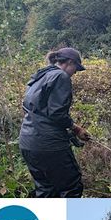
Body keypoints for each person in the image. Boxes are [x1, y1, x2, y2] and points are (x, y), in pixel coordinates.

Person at [19, 47, 91, 197]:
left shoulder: (40, 76)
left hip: (28, 143)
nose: (74, 74)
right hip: (50, 145)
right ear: (70, 62)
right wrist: (75, 128)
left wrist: (74, 129)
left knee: (46, 190)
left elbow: (28, 106)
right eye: (76, 70)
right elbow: (57, 113)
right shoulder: (61, 76)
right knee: (71, 187)